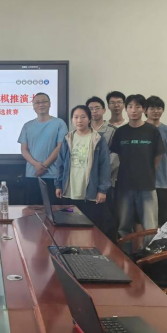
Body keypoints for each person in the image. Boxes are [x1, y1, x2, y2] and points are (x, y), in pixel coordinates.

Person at [111, 94, 165, 254]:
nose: (133, 110)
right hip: (124, 186)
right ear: (126, 109)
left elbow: (157, 157)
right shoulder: (120, 132)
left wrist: (146, 172)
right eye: (130, 107)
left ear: (144, 109)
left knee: (150, 226)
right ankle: (125, 256)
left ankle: (149, 258)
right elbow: (118, 157)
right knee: (123, 226)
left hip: (147, 186)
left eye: (138, 107)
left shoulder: (152, 131)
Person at [55, 106, 111, 235]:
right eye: (76, 117)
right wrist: (58, 185)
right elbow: (60, 164)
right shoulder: (68, 138)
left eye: (83, 117)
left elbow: (105, 166)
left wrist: (102, 190)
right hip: (69, 191)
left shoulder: (97, 139)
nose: (79, 120)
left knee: (90, 228)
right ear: (72, 119)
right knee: (69, 227)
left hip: (90, 192)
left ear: (89, 119)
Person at [18, 92, 68, 205]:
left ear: (50, 104)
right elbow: (24, 149)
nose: (41, 104)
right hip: (32, 174)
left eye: (44, 101)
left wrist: (44, 165)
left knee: (54, 210)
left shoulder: (59, 123)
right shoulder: (27, 125)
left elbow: (61, 147)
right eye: (37, 102)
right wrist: (36, 164)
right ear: (33, 106)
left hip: (54, 175)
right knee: (32, 210)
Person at [87, 96, 119, 241]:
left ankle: (108, 248)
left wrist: (101, 175)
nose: (94, 111)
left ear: (104, 110)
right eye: (90, 109)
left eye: (97, 108)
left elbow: (114, 157)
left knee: (107, 218)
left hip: (106, 182)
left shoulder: (112, 130)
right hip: (87, 183)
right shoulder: (83, 129)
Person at [145, 95, 167, 226]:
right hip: (142, 181)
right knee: (142, 216)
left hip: (161, 181)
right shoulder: (140, 129)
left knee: (161, 216)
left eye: (159, 108)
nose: (156, 111)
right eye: (152, 108)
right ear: (145, 110)